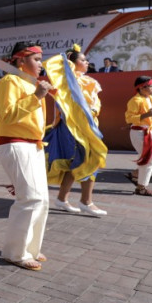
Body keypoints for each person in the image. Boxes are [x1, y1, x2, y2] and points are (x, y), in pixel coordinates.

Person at [0, 42, 53, 270]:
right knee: (30, 198)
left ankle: (31, 248)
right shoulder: (10, 81)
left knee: (42, 199)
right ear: (21, 60)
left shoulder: (31, 83)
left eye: (41, 59)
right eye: (37, 59)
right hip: (16, 143)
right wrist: (36, 97)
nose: (41, 64)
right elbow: (7, 116)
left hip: (34, 145)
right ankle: (15, 253)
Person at [46, 46, 108, 216]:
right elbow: (63, 104)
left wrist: (93, 112)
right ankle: (86, 201)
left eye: (86, 60)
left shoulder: (90, 82)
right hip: (72, 126)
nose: (86, 62)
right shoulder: (65, 81)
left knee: (78, 160)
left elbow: (96, 103)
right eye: (82, 60)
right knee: (89, 158)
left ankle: (61, 198)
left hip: (89, 125)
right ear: (72, 63)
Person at [125, 76, 152, 196]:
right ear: (141, 88)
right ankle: (141, 187)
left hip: (149, 131)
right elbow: (129, 118)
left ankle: (136, 174)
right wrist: (146, 114)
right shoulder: (135, 101)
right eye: (150, 86)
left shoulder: (151, 99)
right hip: (139, 132)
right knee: (149, 160)